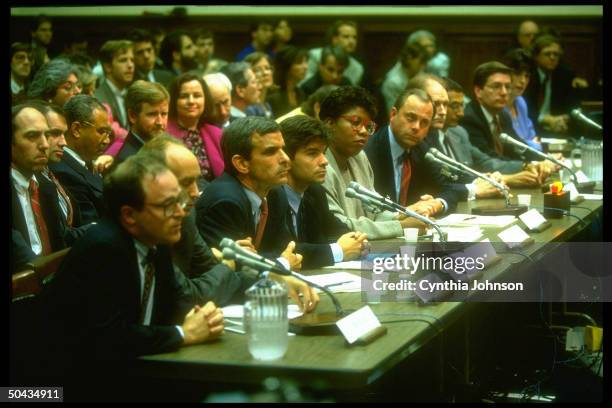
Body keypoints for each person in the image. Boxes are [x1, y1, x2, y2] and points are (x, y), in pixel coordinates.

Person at [41, 154, 224, 392]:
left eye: (179, 200)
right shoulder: (103, 250)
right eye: (168, 205)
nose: (180, 212)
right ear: (129, 215)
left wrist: (203, 318)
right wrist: (183, 333)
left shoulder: (154, 240)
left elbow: (176, 300)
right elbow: (108, 339)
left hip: (133, 372)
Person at [195, 117, 319, 310]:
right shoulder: (224, 201)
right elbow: (233, 275)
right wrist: (281, 264)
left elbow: (284, 247)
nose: (286, 158)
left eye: (283, 148)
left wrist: (279, 260)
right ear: (242, 163)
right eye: (271, 152)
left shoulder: (275, 192)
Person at [319, 86, 427, 240]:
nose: (363, 132)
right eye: (356, 123)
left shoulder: (360, 157)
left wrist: (401, 217)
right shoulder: (319, 165)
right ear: (329, 124)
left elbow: (375, 212)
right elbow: (339, 226)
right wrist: (401, 226)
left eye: (368, 127)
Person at [274, 115, 368, 267]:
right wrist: (339, 250)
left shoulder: (314, 191)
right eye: (312, 153)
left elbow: (335, 229)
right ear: (286, 158)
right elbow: (284, 250)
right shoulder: (272, 195)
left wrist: (356, 241)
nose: (324, 161)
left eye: (324, 152)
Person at [366, 84, 469, 218]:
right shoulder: (369, 151)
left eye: (424, 123)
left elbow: (449, 187)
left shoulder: (421, 149)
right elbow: (369, 211)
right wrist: (405, 213)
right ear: (393, 114)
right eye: (411, 118)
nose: (416, 127)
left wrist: (437, 204)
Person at [443, 77, 551, 187]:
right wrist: (505, 179)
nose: (461, 113)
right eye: (454, 106)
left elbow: (485, 162)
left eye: (507, 87)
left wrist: (526, 166)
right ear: (478, 91)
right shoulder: (469, 119)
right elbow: (448, 180)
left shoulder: (458, 132)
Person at [11, 103, 65, 272]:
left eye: (47, 135)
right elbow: (22, 259)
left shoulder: (46, 187)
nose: (44, 145)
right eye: (32, 136)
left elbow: (61, 239)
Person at [49, 95, 111, 223]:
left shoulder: (91, 163)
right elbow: (93, 226)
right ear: (76, 129)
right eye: (102, 132)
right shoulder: (64, 171)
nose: (107, 141)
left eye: (109, 133)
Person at [166, 73, 224, 183]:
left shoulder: (217, 134)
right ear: (174, 100)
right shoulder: (163, 132)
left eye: (197, 95)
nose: (191, 101)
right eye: (184, 96)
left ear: (205, 99)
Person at [522, 34, 581, 135]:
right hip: (532, 127)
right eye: (547, 54)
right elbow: (524, 110)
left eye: (556, 54)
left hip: (558, 127)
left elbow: (573, 106)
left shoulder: (565, 75)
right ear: (536, 56)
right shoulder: (527, 76)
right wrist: (545, 119)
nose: (552, 57)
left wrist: (563, 118)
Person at [112, 80, 170, 165]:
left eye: (164, 114)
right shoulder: (128, 162)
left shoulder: (165, 147)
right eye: (152, 114)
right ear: (132, 116)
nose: (160, 122)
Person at [304, 20, 366, 87]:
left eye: (354, 37)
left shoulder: (357, 68)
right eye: (346, 36)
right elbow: (304, 83)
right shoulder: (315, 55)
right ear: (334, 39)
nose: (351, 41)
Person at [503, 48, 543, 151]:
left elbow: (533, 137)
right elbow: (512, 146)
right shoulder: (498, 105)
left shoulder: (521, 102)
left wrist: (532, 144)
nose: (523, 81)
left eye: (527, 76)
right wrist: (533, 145)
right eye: (517, 74)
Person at [95, 40, 135, 130]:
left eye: (132, 60)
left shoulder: (132, 95)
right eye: (123, 60)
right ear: (107, 67)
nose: (130, 65)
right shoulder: (97, 98)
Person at [381, 41, 427, 114]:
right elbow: (394, 113)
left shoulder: (419, 73)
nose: (424, 65)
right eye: (421, 61)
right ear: (409, 59)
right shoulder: (392, 82)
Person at [267, 46, 309, 118]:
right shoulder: (273, 95)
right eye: (299, 62)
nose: (305, 67)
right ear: (286, 66)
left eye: (306, 62)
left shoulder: (301, 93)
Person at [243, 52, 275, 118]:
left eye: (267, 68)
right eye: (258, 70)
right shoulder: (249, 109)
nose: (265, 73)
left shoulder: (267, 105)